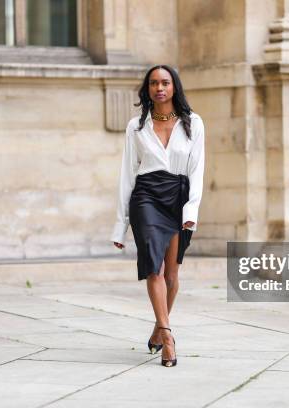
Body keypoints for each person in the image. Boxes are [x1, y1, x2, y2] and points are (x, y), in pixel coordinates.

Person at [110, 65, 205, 368]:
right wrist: (120, 225)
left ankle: (157, 328)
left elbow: (197, 170)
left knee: (172, 276)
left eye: (165, 82)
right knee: (154, 267)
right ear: (147, 89)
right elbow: (127, 174)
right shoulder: (136, 126)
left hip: (178, 197)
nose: (159, 88)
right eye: (153, 83)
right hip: (147, 197)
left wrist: (191, 211)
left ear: (174, 86)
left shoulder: (194, 123)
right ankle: (167, 337)